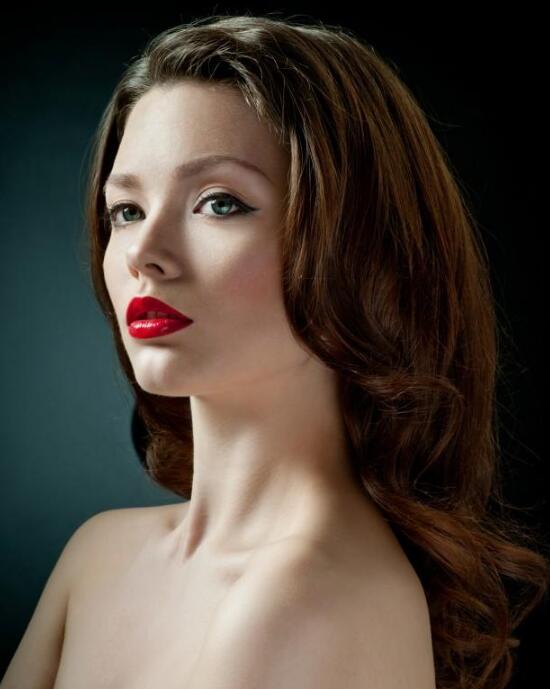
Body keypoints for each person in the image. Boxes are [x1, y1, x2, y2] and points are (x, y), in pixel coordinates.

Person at [2, 13, 549, 689]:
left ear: (360, 248)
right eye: (127, 210)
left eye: (219, 203)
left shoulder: (315, 601)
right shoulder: (96, 557)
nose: (143, 252)